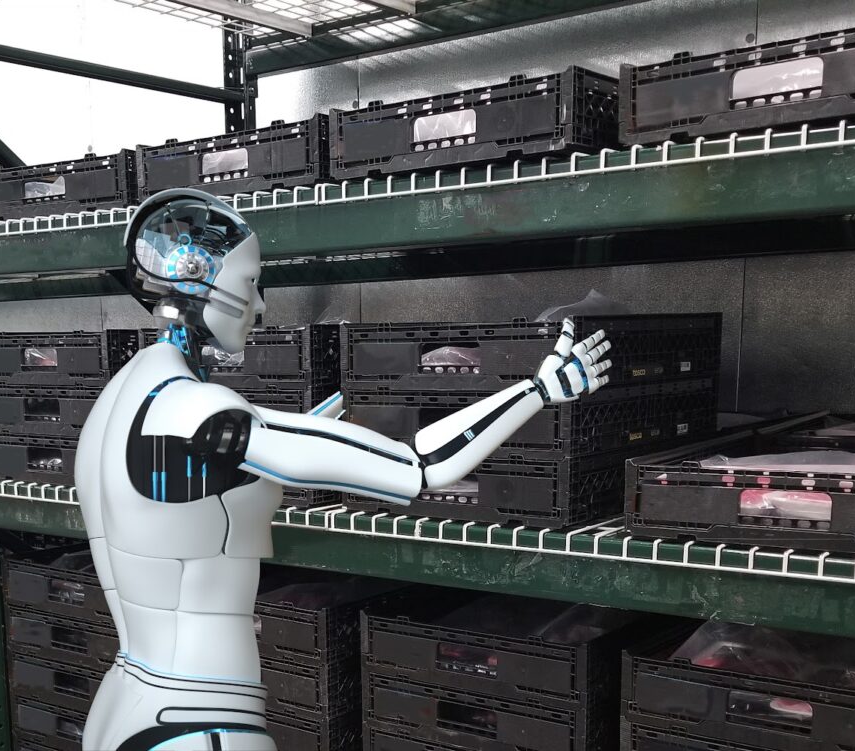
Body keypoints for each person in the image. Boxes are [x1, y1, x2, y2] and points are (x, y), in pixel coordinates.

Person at [73, 188, 613, 750]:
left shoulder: (121, 397)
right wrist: (540, 389)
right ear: (202, 283)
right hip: (198, 717)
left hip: (124, 700)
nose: (260, 305)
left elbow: (183, 498)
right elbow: (423, 464)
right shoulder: (203, 413)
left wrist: (308, 432)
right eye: (250, 282)